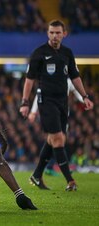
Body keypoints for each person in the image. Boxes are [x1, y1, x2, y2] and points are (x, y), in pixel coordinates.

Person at [20, 19, 94, 191]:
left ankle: (37, 175)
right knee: (59, 138)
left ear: (64, 34)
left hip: (63, 101)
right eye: (51, 32)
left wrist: (84, 96)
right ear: (48, 34)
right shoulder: (39, 53)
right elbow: (29, 80)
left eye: (57, 33)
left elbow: (75, 77)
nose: (54, 36)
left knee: (53, 139)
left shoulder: (67, 53)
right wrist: (25, 102)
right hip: (46, 101)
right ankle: (70, 180)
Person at [28, 78, 84, 176]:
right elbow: (39, 94)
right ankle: (60, 169)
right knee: (58, 140)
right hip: (52, 114)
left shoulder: (67, 80)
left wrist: (84, 99)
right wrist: (33, 111)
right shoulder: (49, 78)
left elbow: (76, 90)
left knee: (54, 141)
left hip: (64, 115)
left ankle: (44, 170)